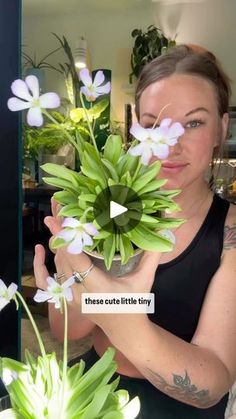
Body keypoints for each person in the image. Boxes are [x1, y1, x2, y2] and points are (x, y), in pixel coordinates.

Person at [33, 45, 236, 419]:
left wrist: (116, 308)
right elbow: (67, 331)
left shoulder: (230, 235)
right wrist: (70, 266)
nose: (170, 144)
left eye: (193, 122)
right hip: (96, 393)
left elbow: (212, 384)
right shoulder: (109, 208)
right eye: (154, 125)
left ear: (221, 128)